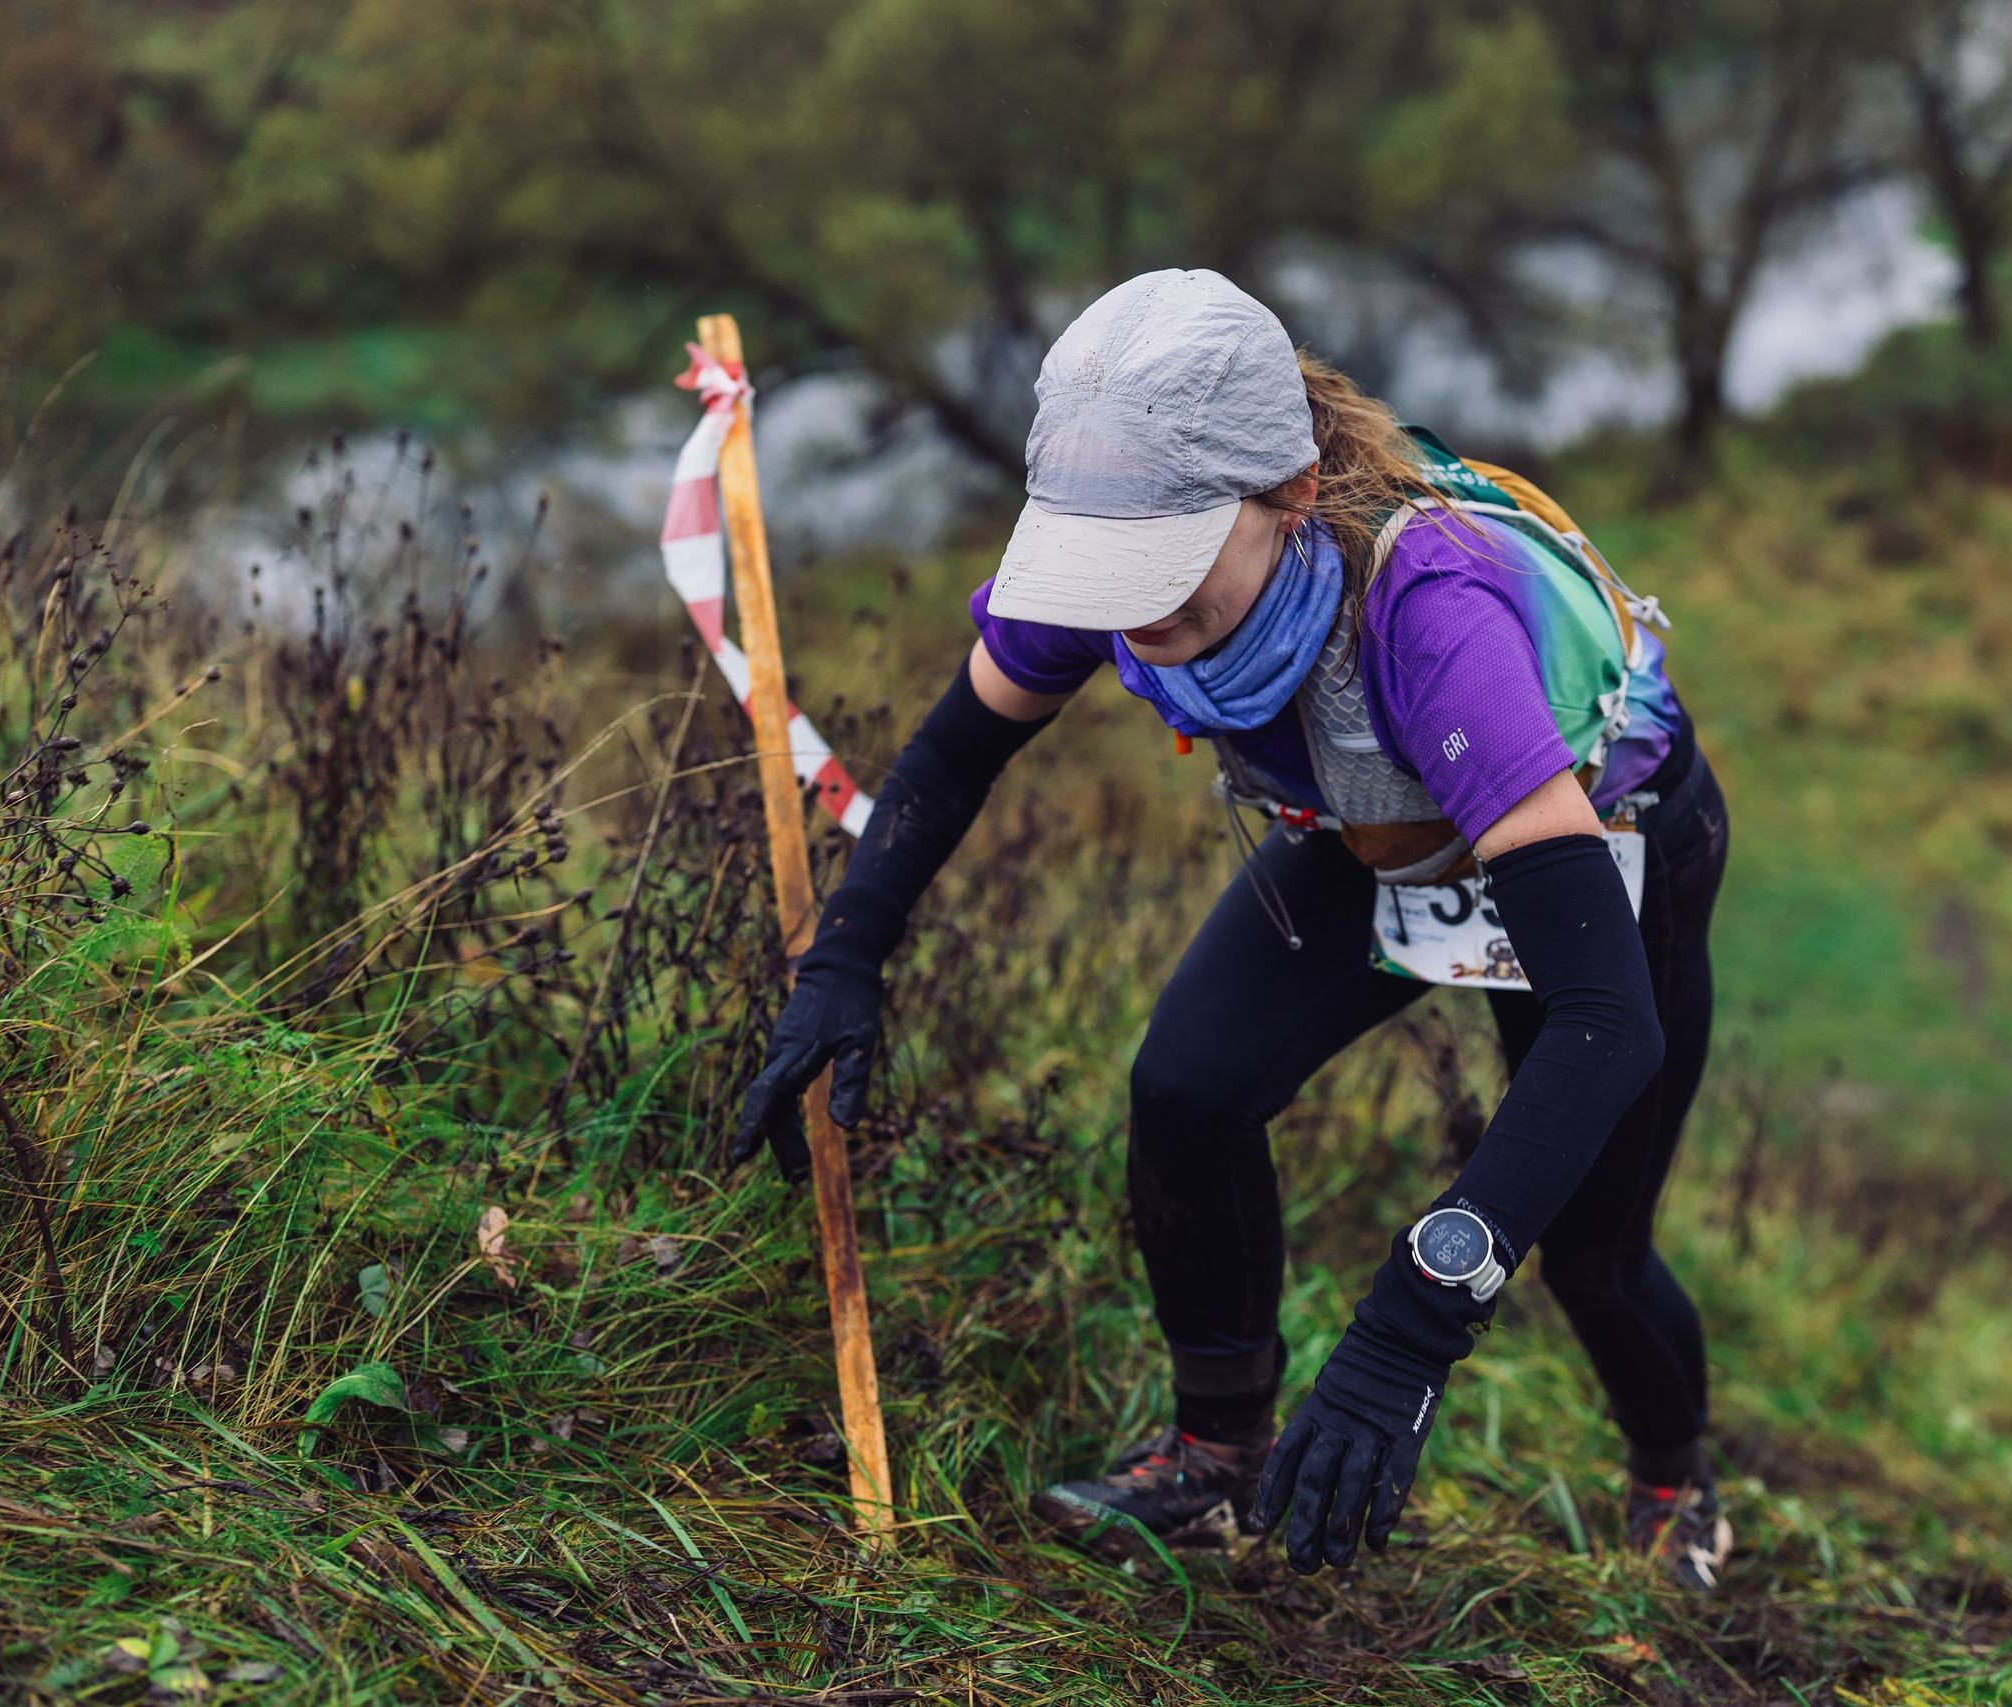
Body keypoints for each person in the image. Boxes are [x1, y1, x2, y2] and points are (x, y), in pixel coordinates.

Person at [736, 269, 1732, 1589]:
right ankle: (1220, 1461)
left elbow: (1608, 1027)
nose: (1136, 613)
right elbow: (954, 754)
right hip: (1367, 824)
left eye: (1172, 568)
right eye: (1111, 570)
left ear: (1294, 498)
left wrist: (1407, 1331)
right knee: (1188, 1091)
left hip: (1597, 832)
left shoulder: (1429, 613)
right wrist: (847, 954)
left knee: (1594, 1254)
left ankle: (1676, 1488)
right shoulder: (1097, 558)